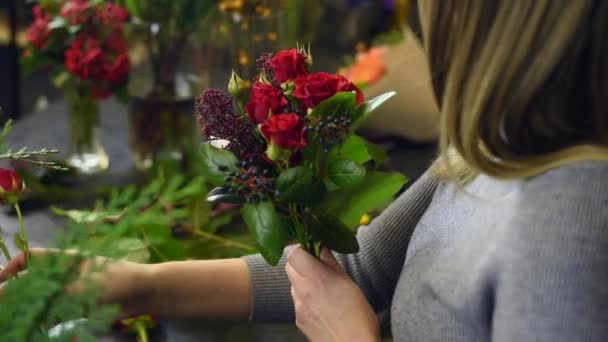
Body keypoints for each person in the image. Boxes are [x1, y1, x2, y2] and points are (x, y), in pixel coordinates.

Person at [3, 0, 608, 340]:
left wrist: (348, 337)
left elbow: (347, 302)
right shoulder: (495, 149)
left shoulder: (572, 226)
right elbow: (361, 266)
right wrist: (136, 282)